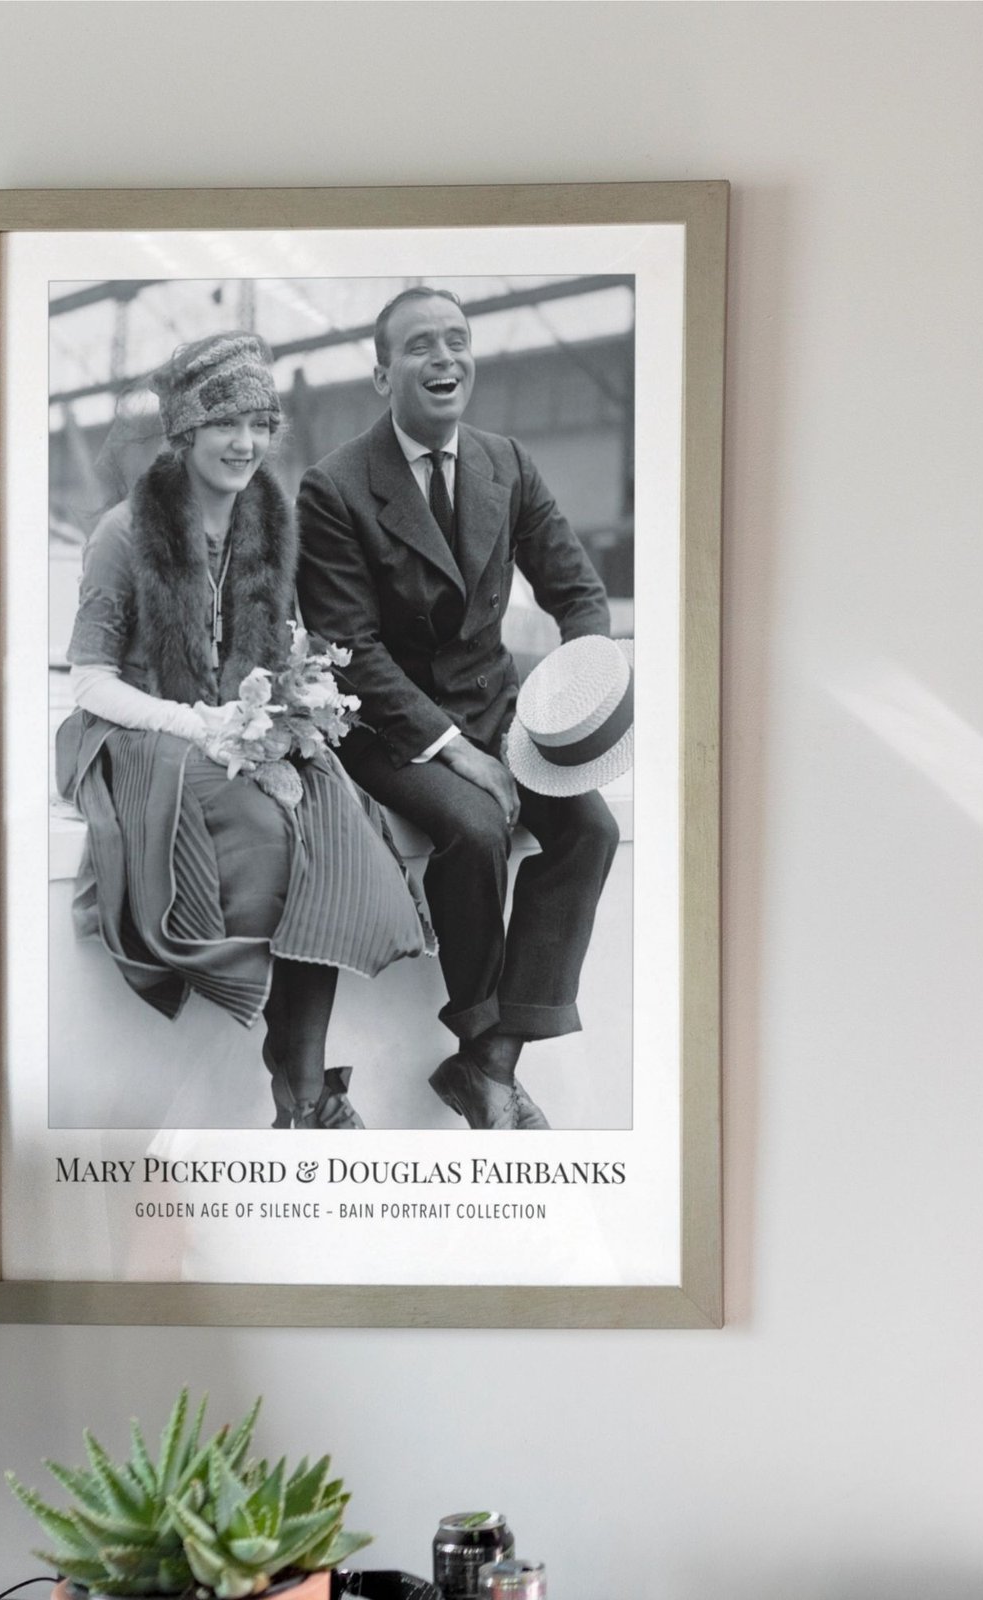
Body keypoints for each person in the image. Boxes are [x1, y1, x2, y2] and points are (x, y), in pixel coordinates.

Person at [58, 332, 429, 1131]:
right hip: (139, 733)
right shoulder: (125, 533)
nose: (245, 443)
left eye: (261, 424)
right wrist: (197, 722)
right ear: (186, 432)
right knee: (268, 834)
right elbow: (90, 680)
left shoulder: (272, 526)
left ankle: (304, 1091)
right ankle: (303, 1092)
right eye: (226, 423)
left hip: (242, 723)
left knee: (331, 824)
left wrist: (297, 700)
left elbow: (275, 647)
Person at [296, 287, 620, 1131]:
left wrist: (576, 701)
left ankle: (491, 1062)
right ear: (381, 374)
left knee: (591, 830)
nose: (445, 359)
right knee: (473, 828)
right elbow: (352, 650)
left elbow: (580, 596)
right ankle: (481, 1037)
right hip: (387, 727)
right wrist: (456, 750)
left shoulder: (506, 462)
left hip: (500, 712)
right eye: (420, 347)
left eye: (457, 341)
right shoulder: (332, 490)